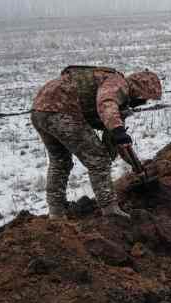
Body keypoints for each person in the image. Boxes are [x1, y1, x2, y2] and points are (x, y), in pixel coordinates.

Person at [31, 66, 162, 220]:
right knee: (98, 159)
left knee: (60, 161)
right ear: (139, 89)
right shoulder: (118, 83)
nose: (142, 103)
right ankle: (109, 208)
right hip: (62, 109)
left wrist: (136, 166)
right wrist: (118, 130)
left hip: (39, 110)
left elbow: (116, 141)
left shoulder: (115, 101)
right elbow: (106, 102)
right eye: (144, 99)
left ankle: (56, 212)